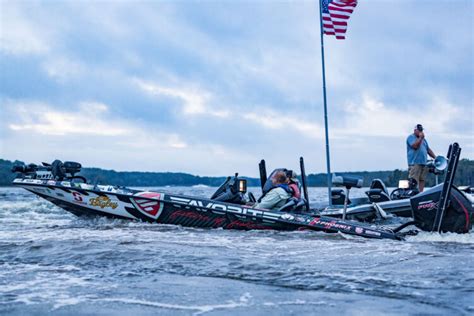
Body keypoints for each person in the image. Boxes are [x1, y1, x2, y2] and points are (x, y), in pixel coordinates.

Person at [406, 124, 436, 192]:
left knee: (422, 180)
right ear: (415, 130)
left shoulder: (424, 140)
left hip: (424, 163)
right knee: (413, 181)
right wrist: (420, 138)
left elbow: (428, 150)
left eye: (421, 130)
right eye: (419, 130)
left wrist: (435, 158)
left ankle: (420, 193)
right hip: (415, 163)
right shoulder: (410, 137)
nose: (421, 132)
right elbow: (415, 146)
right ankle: (412, 194)